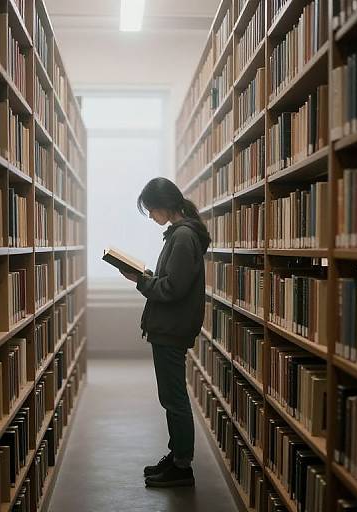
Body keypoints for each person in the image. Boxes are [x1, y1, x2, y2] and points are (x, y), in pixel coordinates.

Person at [120, 177, 211, 488]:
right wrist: (146, 276)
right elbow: (174, 281)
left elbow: (172, 289)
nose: (151, 216)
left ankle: (182, 465)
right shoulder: (181, 234)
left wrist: (140, 280)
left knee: (174, 399)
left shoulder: (183, 237)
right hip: (169, 328)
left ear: (162, 206)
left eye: (151, 210)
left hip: (171, 329)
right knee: (170, 396)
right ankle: (176, 456)